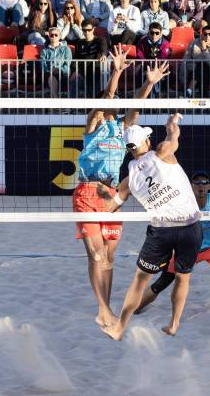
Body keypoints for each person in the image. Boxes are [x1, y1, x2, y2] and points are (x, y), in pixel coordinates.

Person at [73, 46, 169, 328]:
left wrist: (149, 83)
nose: (108, 107)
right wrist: (116, 72)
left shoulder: (121, 128)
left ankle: (108, 303)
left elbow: (135, 108)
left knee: (110, 256)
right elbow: (109, 100)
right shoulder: (92, 125)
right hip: (87, 193)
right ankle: (103, 308)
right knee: (96, 254)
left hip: (111, 196)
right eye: (106, 103)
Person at [100, 113, 203, 340]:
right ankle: (174, 324)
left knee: (140, 279)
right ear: (146, 142)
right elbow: (173, 134)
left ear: (129, 149)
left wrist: (94, 208)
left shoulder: (128, 180)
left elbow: (112, 206)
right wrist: (173, 121)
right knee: (182, 277)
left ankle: (119, 327)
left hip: (161, 232)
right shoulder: (162, 152)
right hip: (189, 226)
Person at [135, 170, 210, 314]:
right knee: (161, 283)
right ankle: (135, 309)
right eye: (197, 182)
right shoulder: (182, 201)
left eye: (204, 182)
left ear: (209, 186)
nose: (200, 185)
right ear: (191, 186)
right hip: (186, 249)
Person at [182, 24, 210, 97]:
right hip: (193, 72)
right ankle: (204, 105)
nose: (207, 36)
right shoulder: (194, 43)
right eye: (205, 34)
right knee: (202, 70)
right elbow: (186, 59)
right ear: (202, 35)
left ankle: (189, 90)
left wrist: (204, 49)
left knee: (203, 67)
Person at [75, 19, 108, 97]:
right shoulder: (79, 43)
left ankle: (94, 108)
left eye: (89, 30)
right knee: (74, 80)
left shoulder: (100, 40)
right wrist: (75, 71)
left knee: (94, 89)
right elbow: (76, 58)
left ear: (93, 29)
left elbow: (104, 49)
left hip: (95, 71)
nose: (87, 32)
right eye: (84, 30)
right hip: (82, 72)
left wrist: (103, 54)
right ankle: (71, 107)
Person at [40, 26, 74, 97]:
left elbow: (67, 64)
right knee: (51, 78)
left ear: (59, 37)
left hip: (63, 75)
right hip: (50, 75)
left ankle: (54, 104)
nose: (54, 36)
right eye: (52, 35)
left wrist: (59, 70)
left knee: (52, 79)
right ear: (49, 37)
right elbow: (43, 65)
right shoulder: (44, 51)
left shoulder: (66, 49)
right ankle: (56, 101)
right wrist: (51, 71)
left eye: (56, 35)